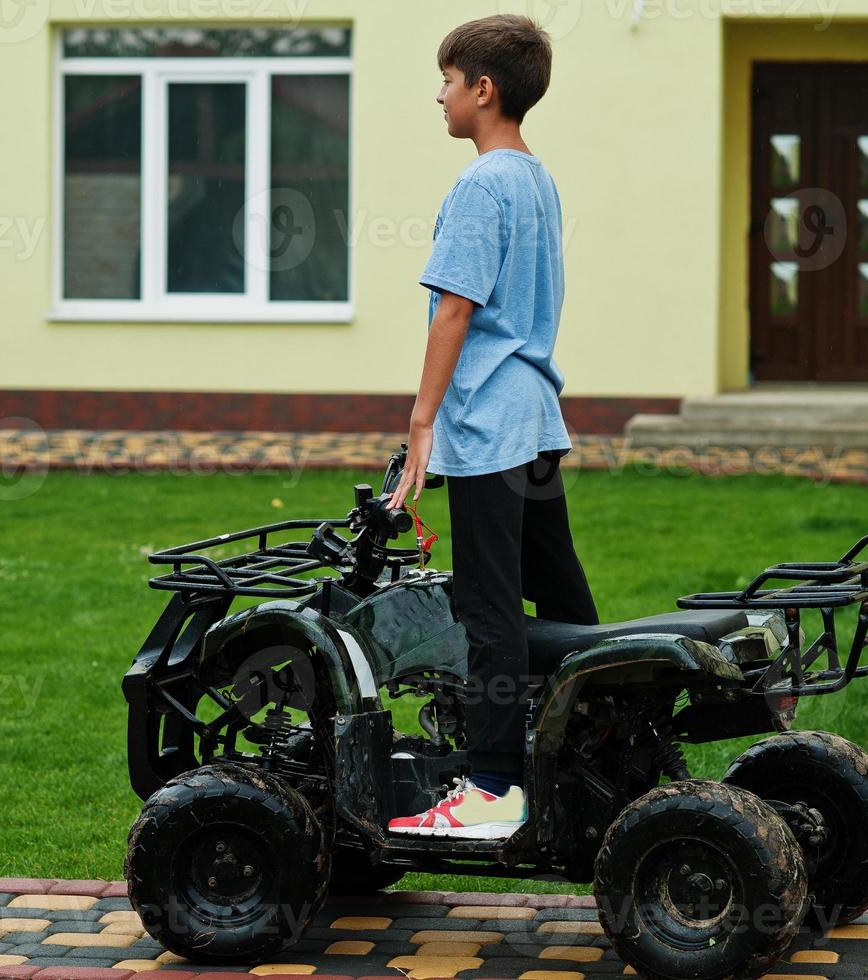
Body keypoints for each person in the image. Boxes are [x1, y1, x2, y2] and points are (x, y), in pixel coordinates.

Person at [384, 14, 599, 840]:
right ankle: (602, 746)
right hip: (535, 418)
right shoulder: (535, 178)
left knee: (487, 610)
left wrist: (422, 419)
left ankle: (491, 788)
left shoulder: (480, 185)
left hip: (487, 418)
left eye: (445, 80)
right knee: (563, 593)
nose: (436, 95)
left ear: (484, 90)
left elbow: (454, 312)